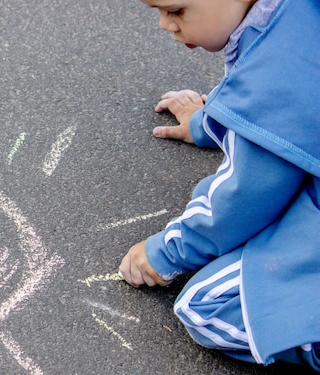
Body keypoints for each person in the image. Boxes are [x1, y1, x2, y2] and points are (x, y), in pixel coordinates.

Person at [118, 0, 320, 370]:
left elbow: (244, 197)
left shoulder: (275, 71)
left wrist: (169, 251)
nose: (166, 25)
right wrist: (211, 122)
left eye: (177, 11)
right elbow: (289, 116)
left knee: (205, 307)